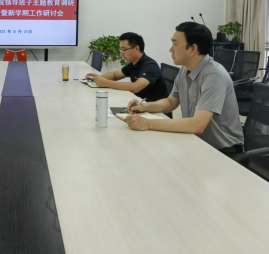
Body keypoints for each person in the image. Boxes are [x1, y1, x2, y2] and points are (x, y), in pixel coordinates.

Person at [125, 22, 244, 157]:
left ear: (192, 49)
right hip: (196, 141)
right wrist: (144, 106)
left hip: (223, 151)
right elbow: (171, 102)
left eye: (175, 44)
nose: (170, 50)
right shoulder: (185, 70)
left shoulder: (214, 75)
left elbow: (197, 124)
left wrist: (148, 123)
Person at [85, 33, 168, 103]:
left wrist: (106, 83)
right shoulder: (134, 63)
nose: (121, 54)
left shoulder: (150, 66)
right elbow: (115, 75)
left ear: (136, 49)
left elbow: (136, 87)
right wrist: (98, 78)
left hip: (156, 111)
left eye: (124, 50)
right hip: (140, 105)